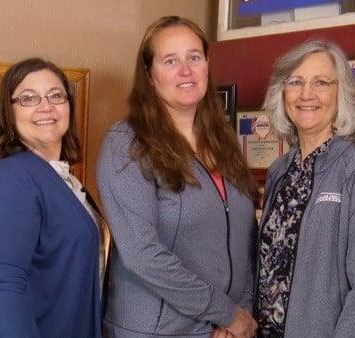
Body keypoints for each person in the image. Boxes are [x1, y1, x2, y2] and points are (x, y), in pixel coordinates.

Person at [97, 16, 259, 338]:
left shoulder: (223, 141)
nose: (185, 70)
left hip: (223, 329)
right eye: (170, 60)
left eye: (193, 57)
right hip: (157, 331)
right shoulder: (127, 144)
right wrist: (226, 313)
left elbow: (246, 242)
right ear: (149, 75)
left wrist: (239, 313)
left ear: (207, 65)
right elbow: (143, 255)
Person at [0, 58, 104, 338]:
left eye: (56, 96)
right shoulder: (8, 178)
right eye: (28, 98)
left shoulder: (61, 178)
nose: (46, 106)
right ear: (8, 112)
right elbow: (4, 285)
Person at [255, 39, 355, 337]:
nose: (306, 94)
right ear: (283, 92)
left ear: (340, 93)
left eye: (321, 83)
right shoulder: (279, 171)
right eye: (296, 82)